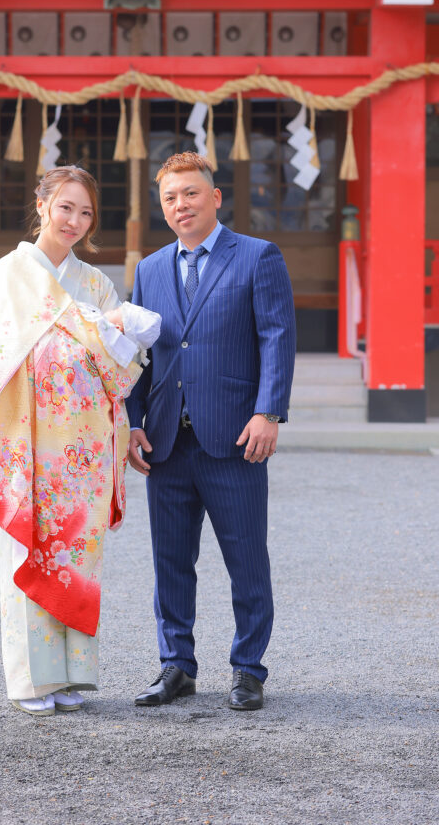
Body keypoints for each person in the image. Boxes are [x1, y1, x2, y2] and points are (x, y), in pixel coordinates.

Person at [0, 166, 160, 717]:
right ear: (42, 204)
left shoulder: (96, 283)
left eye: (85, 212)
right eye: (66, 207)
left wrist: (98, 336)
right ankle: (29, 680)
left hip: (85, 447)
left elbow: (125, 362)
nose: (75, 220)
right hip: (28, 438)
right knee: (29, 546)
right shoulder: (4, 276)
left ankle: (70, 676)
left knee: (77, 557)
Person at [126, 151, 296, 711]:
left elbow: (276, 337)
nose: (181, 206)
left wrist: (268, 412)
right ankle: (176, 666)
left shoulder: (256, 257)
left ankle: (249, 669)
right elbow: (136, 356)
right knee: (170, 562)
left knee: (246, 559)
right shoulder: (149, 270)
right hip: (167, 440)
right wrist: (131, 423)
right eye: (170, 197)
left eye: (191, 194)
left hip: (234, 438)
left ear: (215, 196)